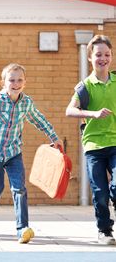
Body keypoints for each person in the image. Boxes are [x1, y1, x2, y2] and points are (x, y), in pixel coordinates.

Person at [0, 63, 63, 244]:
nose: (16, 83)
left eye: (19, 80)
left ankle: (22, 229)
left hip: (14, 153)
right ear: (3, 83)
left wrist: (54, 136)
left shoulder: (26, 103)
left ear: (25, 82)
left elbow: (38, 119)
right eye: (11, 80)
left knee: (19, 189)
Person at [66, 35, 116, 245]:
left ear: (111, 56)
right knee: (100, 192)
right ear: (90, 58)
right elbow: (69, 111)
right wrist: (92, 114)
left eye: (107, 54)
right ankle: (104, 230)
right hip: (94, 146)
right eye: (98, 55)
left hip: (115, 143)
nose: (102, 58)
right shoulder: (84, 86)